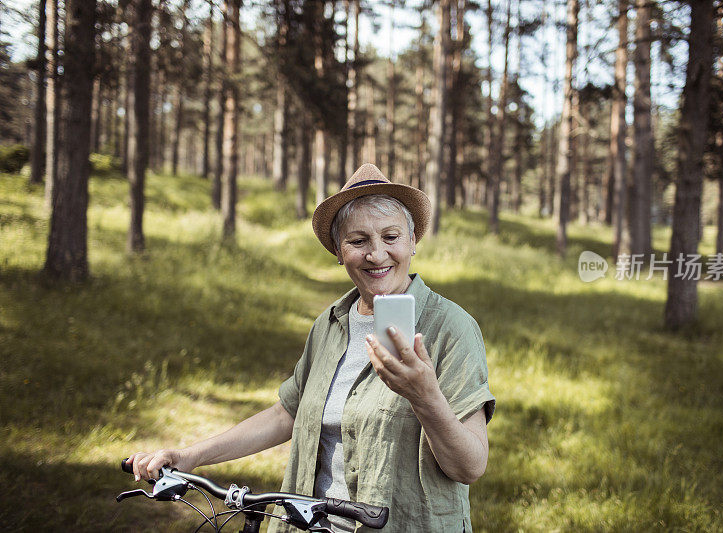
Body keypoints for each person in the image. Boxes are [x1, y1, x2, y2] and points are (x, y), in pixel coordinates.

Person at [126, 163, 495, 532]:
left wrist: (425, 396)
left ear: (413, 243)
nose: (376, 254)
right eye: (358, 240)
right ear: (338, 250)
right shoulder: (330, 324)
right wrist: (189, 456)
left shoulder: (452, 328)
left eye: (391, 237)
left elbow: (470, 466)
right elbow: (286, 414)